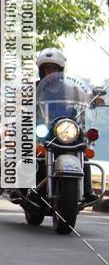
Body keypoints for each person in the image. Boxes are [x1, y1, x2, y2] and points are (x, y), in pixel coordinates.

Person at [36, 47, 97, 207]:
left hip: (67, 128)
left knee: (83, 151)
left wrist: (93, 100)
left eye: (54, 68)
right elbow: (21, 98)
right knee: (33, 153)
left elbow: (86, 98)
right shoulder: (34, 88)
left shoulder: (71, 88)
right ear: (41, 71)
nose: (50, 71)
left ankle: (88, 190)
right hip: (45, 128)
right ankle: (32, 190)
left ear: (60, 70)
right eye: (47, 68)